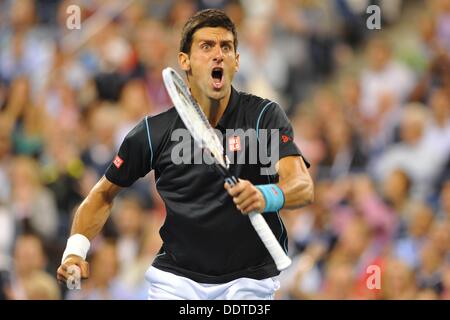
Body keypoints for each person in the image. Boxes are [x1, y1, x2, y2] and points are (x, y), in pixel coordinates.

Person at [57, 9, 314, 300]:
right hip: (176, 281)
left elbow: (302, 186)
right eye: (206, 46)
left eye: (226, 47)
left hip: (250, 280)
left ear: (237, 62)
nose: (218, 55)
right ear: (185, 61)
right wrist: (75, 251)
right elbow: (103, 194)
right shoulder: (153, 133)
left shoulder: (264, 117)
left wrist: (265, 196)